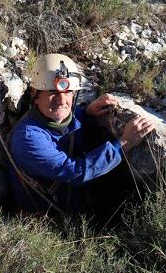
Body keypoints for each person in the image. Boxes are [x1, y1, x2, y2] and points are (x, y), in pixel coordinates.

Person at [9, 53, 155, 214]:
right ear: (35, 95)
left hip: (75, 199)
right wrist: (124, 143)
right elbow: (75, 172)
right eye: (52, 93)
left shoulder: (58, 117)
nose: (62, 100)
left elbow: (64, 124)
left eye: (68, 92)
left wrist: (86, 113)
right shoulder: (28, 138)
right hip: (50, 217)